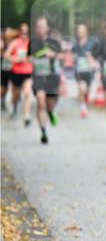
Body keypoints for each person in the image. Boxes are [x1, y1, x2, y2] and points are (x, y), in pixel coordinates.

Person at [30, 17, 62, 145]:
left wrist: (53, 55)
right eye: (38, 26)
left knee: (49, 104)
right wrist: (32, 60)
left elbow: (63, 56)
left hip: (51, 77)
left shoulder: (54, 42)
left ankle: (51, 112)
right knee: (40, 102)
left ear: (47, 28)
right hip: (38, 77)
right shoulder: (32, 42)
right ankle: (43, 131)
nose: (40, 29)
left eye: (42, 26)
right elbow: (27, 57)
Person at [6, 24, 34, 125]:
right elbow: (6, 55)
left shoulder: (31, 43)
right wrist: (16, 59)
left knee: (27, 93)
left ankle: (27, 116)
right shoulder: (15, 42)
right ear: (19, 32)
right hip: (16, 72)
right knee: (16, 96)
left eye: (26, 33)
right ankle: (14, 108)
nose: (24, 35)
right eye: (22, 32)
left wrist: (31, 59)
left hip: (28, 73)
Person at [71, 23, 98, 118]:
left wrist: (92, 59)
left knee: (86, 90)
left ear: (86, 32)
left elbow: (97, 55)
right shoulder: (75, 44)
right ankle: (83, 109)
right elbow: (72, 55)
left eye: (82, 30)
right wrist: (74, 58)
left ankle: (85, 99)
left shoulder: (92, 43)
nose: (80, 32)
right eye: (79, 31)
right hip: (79, 70)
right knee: (82, 89)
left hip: (89, 71)